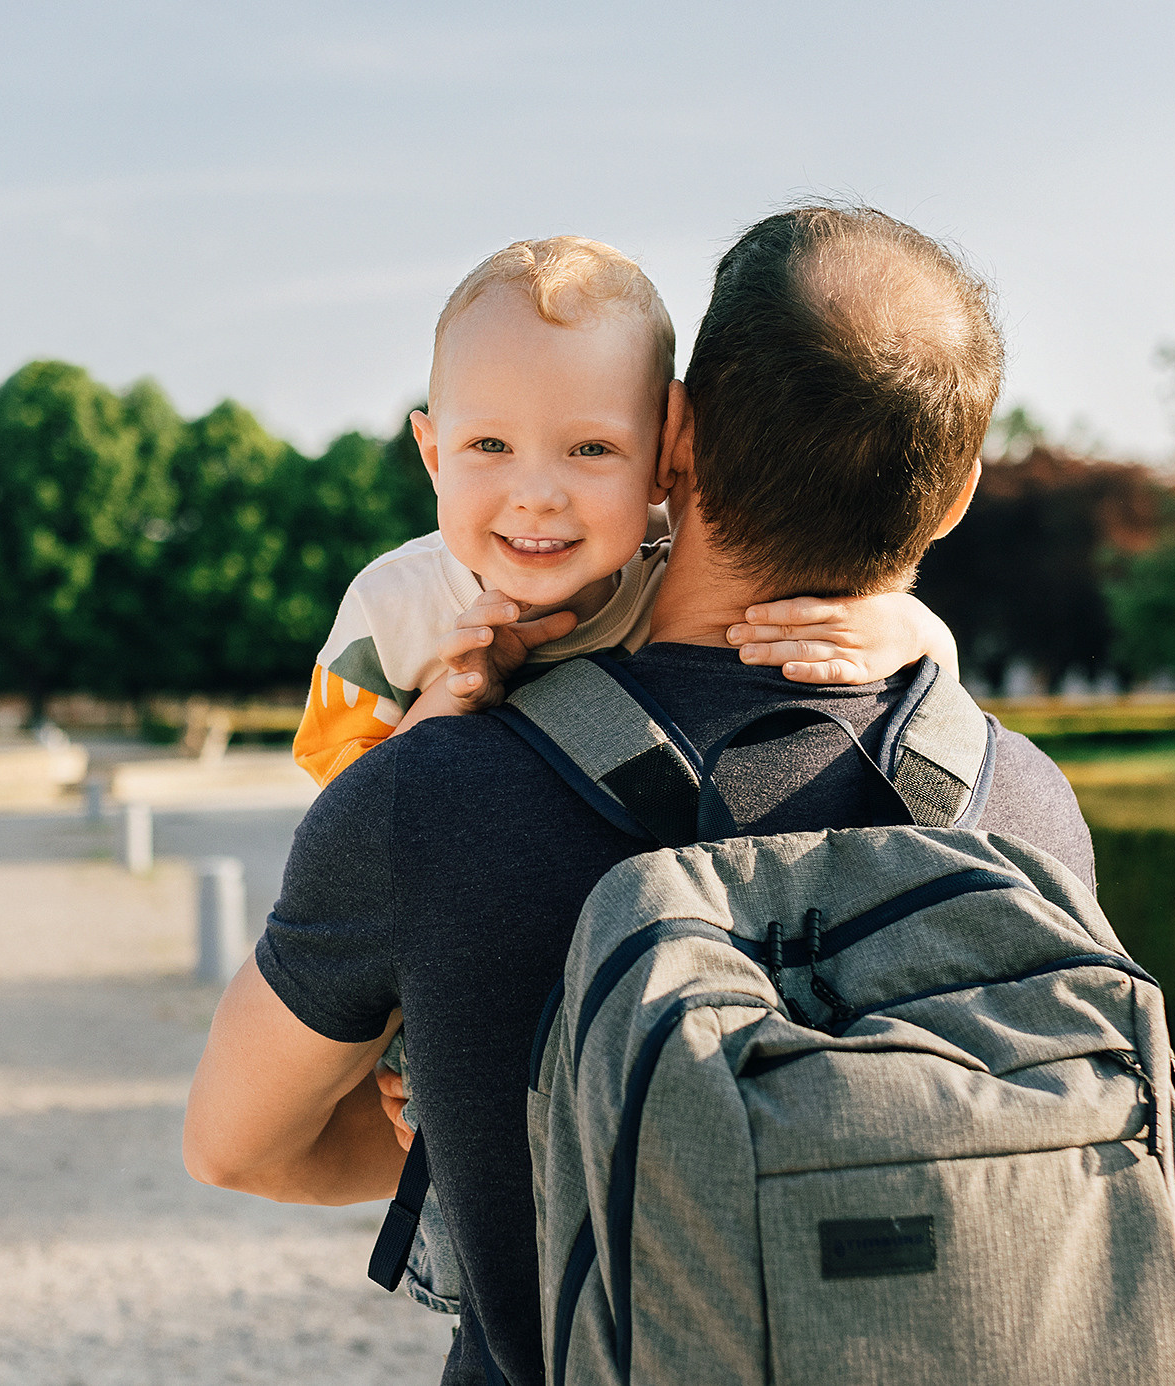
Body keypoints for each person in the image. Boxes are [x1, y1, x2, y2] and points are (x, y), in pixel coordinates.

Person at [183, 204, 1096, 1386]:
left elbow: (235, 1145)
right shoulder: (1022, 807)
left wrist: (475, 1125)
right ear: (958, 492)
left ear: (674, 437)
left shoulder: (435, 785)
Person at [290, 235, 959, 789]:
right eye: (489, 445)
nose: (537, 494)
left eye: (590, 448)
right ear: (433, 455)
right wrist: (450, 702)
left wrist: (906, 630)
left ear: (666, 452)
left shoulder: (682, 589)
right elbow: (342, 833)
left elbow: (923, 685)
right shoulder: (390, 611)